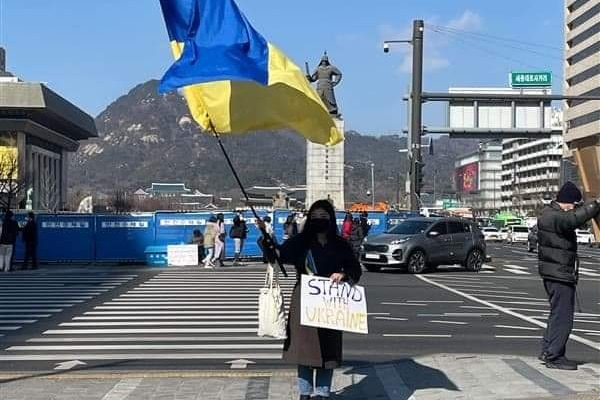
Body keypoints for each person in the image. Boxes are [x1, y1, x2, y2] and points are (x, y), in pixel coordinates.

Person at [261, 200, 362, 399]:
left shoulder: (340, 243)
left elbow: (354, 268)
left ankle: (323, 393)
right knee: (304, 349)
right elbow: (279, 255)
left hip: (331, 300)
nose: (319, 220)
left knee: (328, 350)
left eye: (323, 216)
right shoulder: (300, 241)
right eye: (315, 216)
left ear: (331, 219)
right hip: (304, 299)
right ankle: (305, 393)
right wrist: (266, 238)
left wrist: (343, 275)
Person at [537, 181, 600, 370]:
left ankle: (548, 350)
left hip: (555, 272)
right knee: (563, 316)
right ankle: (554, 356)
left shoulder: (549, 214)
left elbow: (573, 218)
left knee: (556, 314)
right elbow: (572, 220)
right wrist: (595, 204)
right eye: (574, 203)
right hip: (559, 273)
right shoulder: (554, 217)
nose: (574, 207)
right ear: (566, 201)